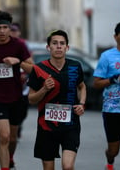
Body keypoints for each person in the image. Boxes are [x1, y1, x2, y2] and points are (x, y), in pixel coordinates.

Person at [27, 30, 86, 170]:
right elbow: (31, 99)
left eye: (62, 43)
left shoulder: (75, 66)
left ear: (67, 47)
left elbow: (82, 87)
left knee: (68, 166)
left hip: (70, 124)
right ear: (48, 47)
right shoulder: (38, 69)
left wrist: (82, 104)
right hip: (46, 126)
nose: (59, 46)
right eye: (55, 43)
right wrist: (44, 89)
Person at [0, 10, 33, 170]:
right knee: (3, 137)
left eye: (5, 27)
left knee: (12, 139)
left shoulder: (19, 45)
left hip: (16, 96)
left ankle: (10, 157)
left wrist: (17, 61)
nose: (2, 31)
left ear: (10, 28)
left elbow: (32, 68)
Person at [93, 21, 120, 170]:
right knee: (114, 150)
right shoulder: (107, 57)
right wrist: (116, 79)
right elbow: (96, 83)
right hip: (113, 110)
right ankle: (110, 161)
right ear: (116, 37)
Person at [10, 22, 29, 139]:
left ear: (19, 32)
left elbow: (30, 63)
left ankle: (18, 124)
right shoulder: (4, 46)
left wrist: (25, 74)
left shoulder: (23, 45)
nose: (13, 32)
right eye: (11, 30)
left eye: (15, 30)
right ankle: (12, 127)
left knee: (23, 111)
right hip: (9, 87)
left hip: (23, 87)